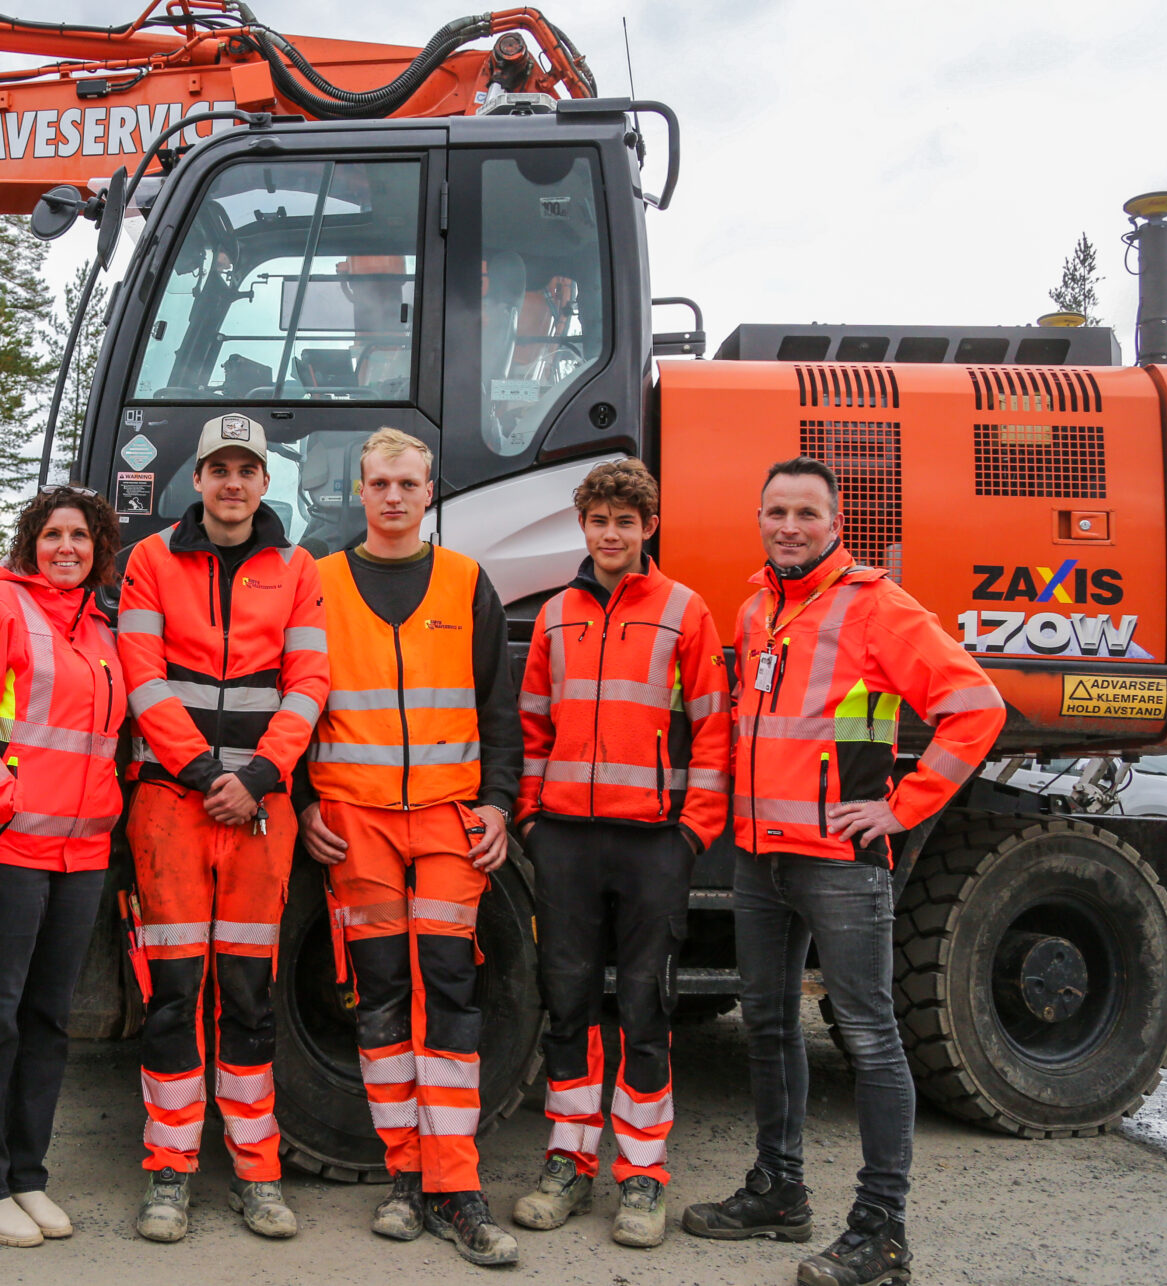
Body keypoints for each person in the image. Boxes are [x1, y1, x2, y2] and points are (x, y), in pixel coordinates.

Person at [682, 457, 1004, 1286]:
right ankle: (779, 1191)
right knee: (767, 1025)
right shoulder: (758, 609)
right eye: (776, 512)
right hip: (760, 857)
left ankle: (882, 1232)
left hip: (838, 863)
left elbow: (976, 707)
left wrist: (903, 807)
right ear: (760, 519)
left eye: (806, 513)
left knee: (867, 1036)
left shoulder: (877, 606)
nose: (789, 526)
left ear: (835, 524)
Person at [295, 428, 522, 1267]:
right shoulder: (319, 583)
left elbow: (498, 707)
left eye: (408, 483)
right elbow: (297, 704)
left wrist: (498, 804)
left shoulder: (466, 581)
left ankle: (456, 1185)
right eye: (380, 482)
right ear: (359, 491)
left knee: (452, 991)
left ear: (431, 492)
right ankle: (405, 1176)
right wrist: (304, 801)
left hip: (449, 817)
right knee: (382, 994)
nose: (394, 496)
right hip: (354, 820)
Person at [117, 413, 329, 1242]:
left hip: (259, 812)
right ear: (198, 480)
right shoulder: (150, 559)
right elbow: (141, 676)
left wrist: (261, 779)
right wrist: (210, 776)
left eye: (246, 470)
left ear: (264, 482)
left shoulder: (297, 568)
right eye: (219, 469)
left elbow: (308, 682)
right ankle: (169, 1171)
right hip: (173, 804)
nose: (232, 483)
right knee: (173, 994)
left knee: (247, 993)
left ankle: (256, 1173)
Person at [511, 457, 733, 1249]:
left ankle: (643, 1175)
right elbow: (532, 723)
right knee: (567, 1006)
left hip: (653, 845)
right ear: (583, 526)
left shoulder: (684, 611)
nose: (611, 534)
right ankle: (568, 1163)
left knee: (645, 1009)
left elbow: (714, 727)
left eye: (625, 522)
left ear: (649, 528)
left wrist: (693, 831)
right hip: (566, 841)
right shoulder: (555, 615)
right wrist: (532, 819)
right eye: (599, 521)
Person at [0, 486, 127, 1249]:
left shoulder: (100, 629)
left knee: (48, 1019)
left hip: (79, 852)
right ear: (30, 543)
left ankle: (25, 1175)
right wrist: (4, 802)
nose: (66, 547)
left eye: (80, 535)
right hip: (1, 846)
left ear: (99, 549)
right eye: (52, 534)